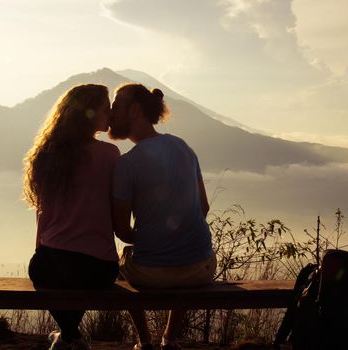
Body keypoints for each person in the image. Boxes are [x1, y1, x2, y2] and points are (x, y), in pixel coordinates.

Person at [109, 83, 217, 350]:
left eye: (116, 107)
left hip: (150, 274)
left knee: (120, 263)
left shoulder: (127, 164)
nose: (111, 114)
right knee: (183, 253)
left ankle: (144, 342)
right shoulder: (184, 148)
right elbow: (203, 208)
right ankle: (169, 340)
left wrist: (149, 241)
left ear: (134, 110)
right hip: (202, 269)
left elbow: (121, 230)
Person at [23, 84, 120, 350]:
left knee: (54, 277)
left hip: (50, 265)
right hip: (98, 268)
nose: (110, 115)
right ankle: (70, 337)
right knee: (80, 279)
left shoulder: (47, 155)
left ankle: (67, 336)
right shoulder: (110, 155)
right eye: (105, 109)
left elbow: (42, 216)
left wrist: (40, 252)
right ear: (88, 115)